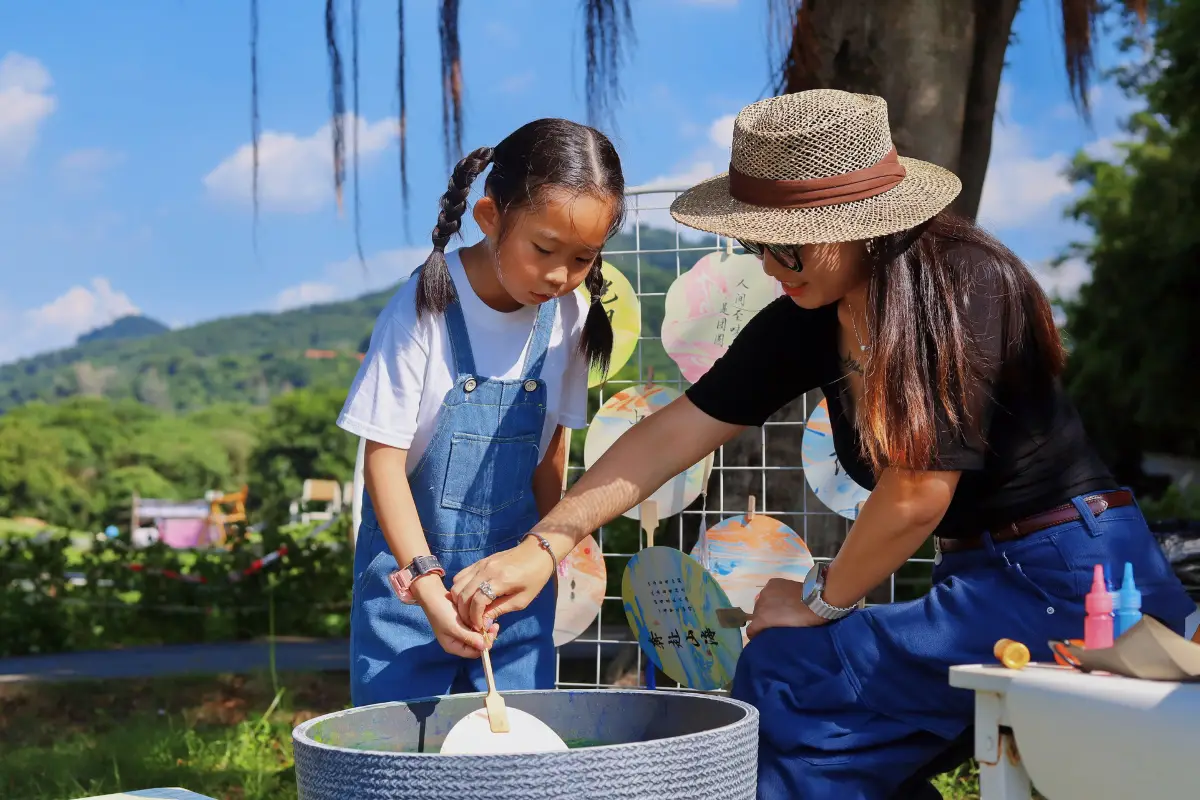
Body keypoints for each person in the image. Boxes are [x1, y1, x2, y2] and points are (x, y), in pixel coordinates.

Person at [447, 91, 1196, 798]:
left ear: (853, 222)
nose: (769, 268)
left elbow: (915, 495)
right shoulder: (811, 315)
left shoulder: (966, 284)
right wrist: (544, 546)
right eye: (755, 244)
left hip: (1075, 582)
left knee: (787, 673)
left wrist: (820, 600)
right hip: (977, 582)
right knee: (817, 728)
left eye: (786, 249)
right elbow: (672, 434)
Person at [337, 118, 625, 707]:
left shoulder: (566, 318)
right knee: (402, 762)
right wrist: (427, 583)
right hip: (410, 598)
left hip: (512, 596)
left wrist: (555, 554)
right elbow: (383, 463)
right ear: (490, 217)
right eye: (543, 249)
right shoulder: (424, 308)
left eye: (581, 258)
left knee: (514, 757)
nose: (559, 275)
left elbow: (551, 455)